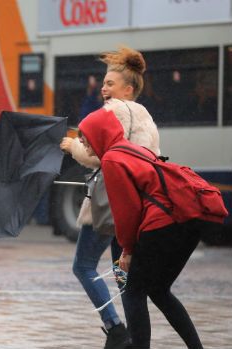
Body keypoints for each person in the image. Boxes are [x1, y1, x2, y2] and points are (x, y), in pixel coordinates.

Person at [78, 107, 205, 349]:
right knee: (157, 289)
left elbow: (127, 213)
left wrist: (127, 250)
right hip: (187, 220)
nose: (84, 146)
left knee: (132, 288)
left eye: (85, 139)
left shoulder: (112, 160)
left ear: (98, 134)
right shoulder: (131, 149)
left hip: (164, 224)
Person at [59, 46, 159, 349]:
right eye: (103, 83)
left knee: (84, 266)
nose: (104, 88)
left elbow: (99, 157)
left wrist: (72, 146)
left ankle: (116, 329)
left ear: (128, 89)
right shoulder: (145, 116)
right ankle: (133, 339)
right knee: (122, 273)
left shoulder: (114, 110)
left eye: (110, 84)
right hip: (135, 205)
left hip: (109, 204)